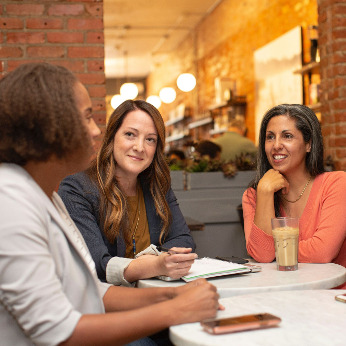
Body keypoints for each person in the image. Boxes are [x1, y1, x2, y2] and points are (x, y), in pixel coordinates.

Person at [0, 62, 220, 345]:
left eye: (150, 139)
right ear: (48, 126)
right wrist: (173, 308)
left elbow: (95, 291)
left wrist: (171, 294)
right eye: (86, 118)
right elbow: (58, 333)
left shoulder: (45, 196)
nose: (95, 132)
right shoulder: (10, 202)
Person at [58, 100, 196, 286]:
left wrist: (153, 260)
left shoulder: (157, 185)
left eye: (150, 139)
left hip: (155, 295)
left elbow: (184, 240)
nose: (139, 147)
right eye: (130, 134)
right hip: (106, 303)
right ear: (112, 137)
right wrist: (155, 265)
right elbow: (96, 264)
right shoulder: (77, 189)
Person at [242, 104, 346, 288]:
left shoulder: (337, 184)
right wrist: (265, 193)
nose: (276, 145)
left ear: (309, 144)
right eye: (270, 137)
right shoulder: (254, 195)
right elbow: (262, 256)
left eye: (287, 136)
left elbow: (322, 252)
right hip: (284, 296)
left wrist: (275, 249)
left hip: (333, 298)